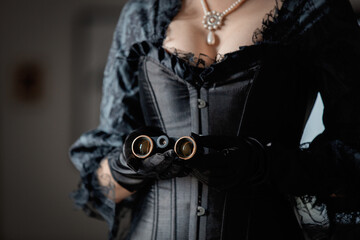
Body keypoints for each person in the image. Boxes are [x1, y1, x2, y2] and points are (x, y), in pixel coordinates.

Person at [69, 0, 360, 239]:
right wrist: (130, 164)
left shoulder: (315, 8)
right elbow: (101, 187)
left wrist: (263, 164)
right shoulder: (143, 13)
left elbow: (353, 153)